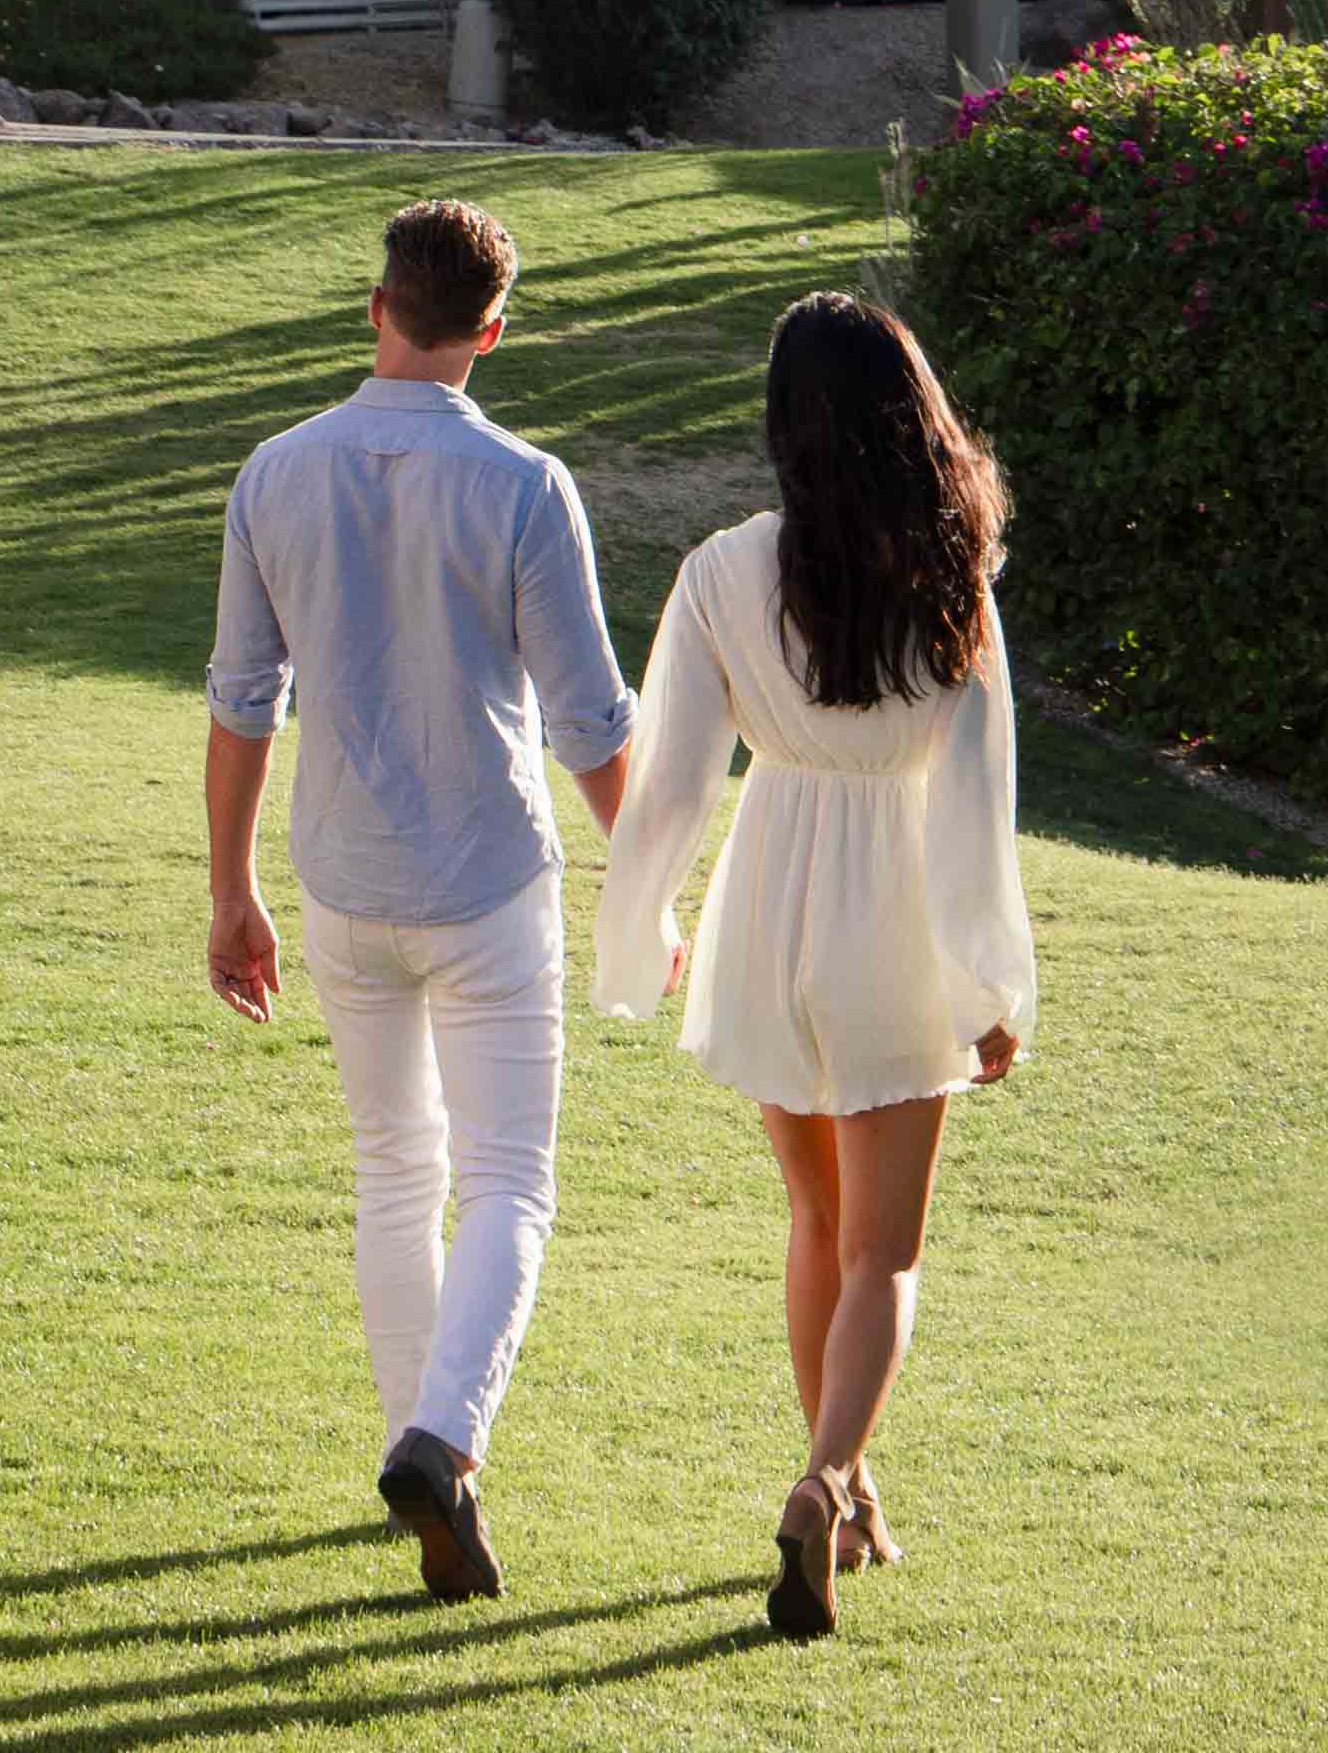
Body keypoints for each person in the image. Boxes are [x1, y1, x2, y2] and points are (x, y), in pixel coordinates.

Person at [205, 196, 633, 1607]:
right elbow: (587, 723)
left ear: (379, 306)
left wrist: (231, 889)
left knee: (396, 1169)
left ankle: (419, 1452)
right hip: (489, 879)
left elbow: (240, 702)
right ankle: (444, 1441)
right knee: (509, 1179)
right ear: (492, 332)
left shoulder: (275, 470)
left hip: (341, 879)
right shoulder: (525, 483)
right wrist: (653, 882)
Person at [597, 288, 1035, 1645]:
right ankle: (826, 1481)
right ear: (912, 412)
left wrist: (644, 931)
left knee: (818, 1229)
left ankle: (846, 1500)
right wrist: (991, 983)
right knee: (885, 1253)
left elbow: (667, 785)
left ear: (784, 423)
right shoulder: (951, 569)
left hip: (769, 913)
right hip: (893, 918)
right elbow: (975, 803)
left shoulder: (723, 570)